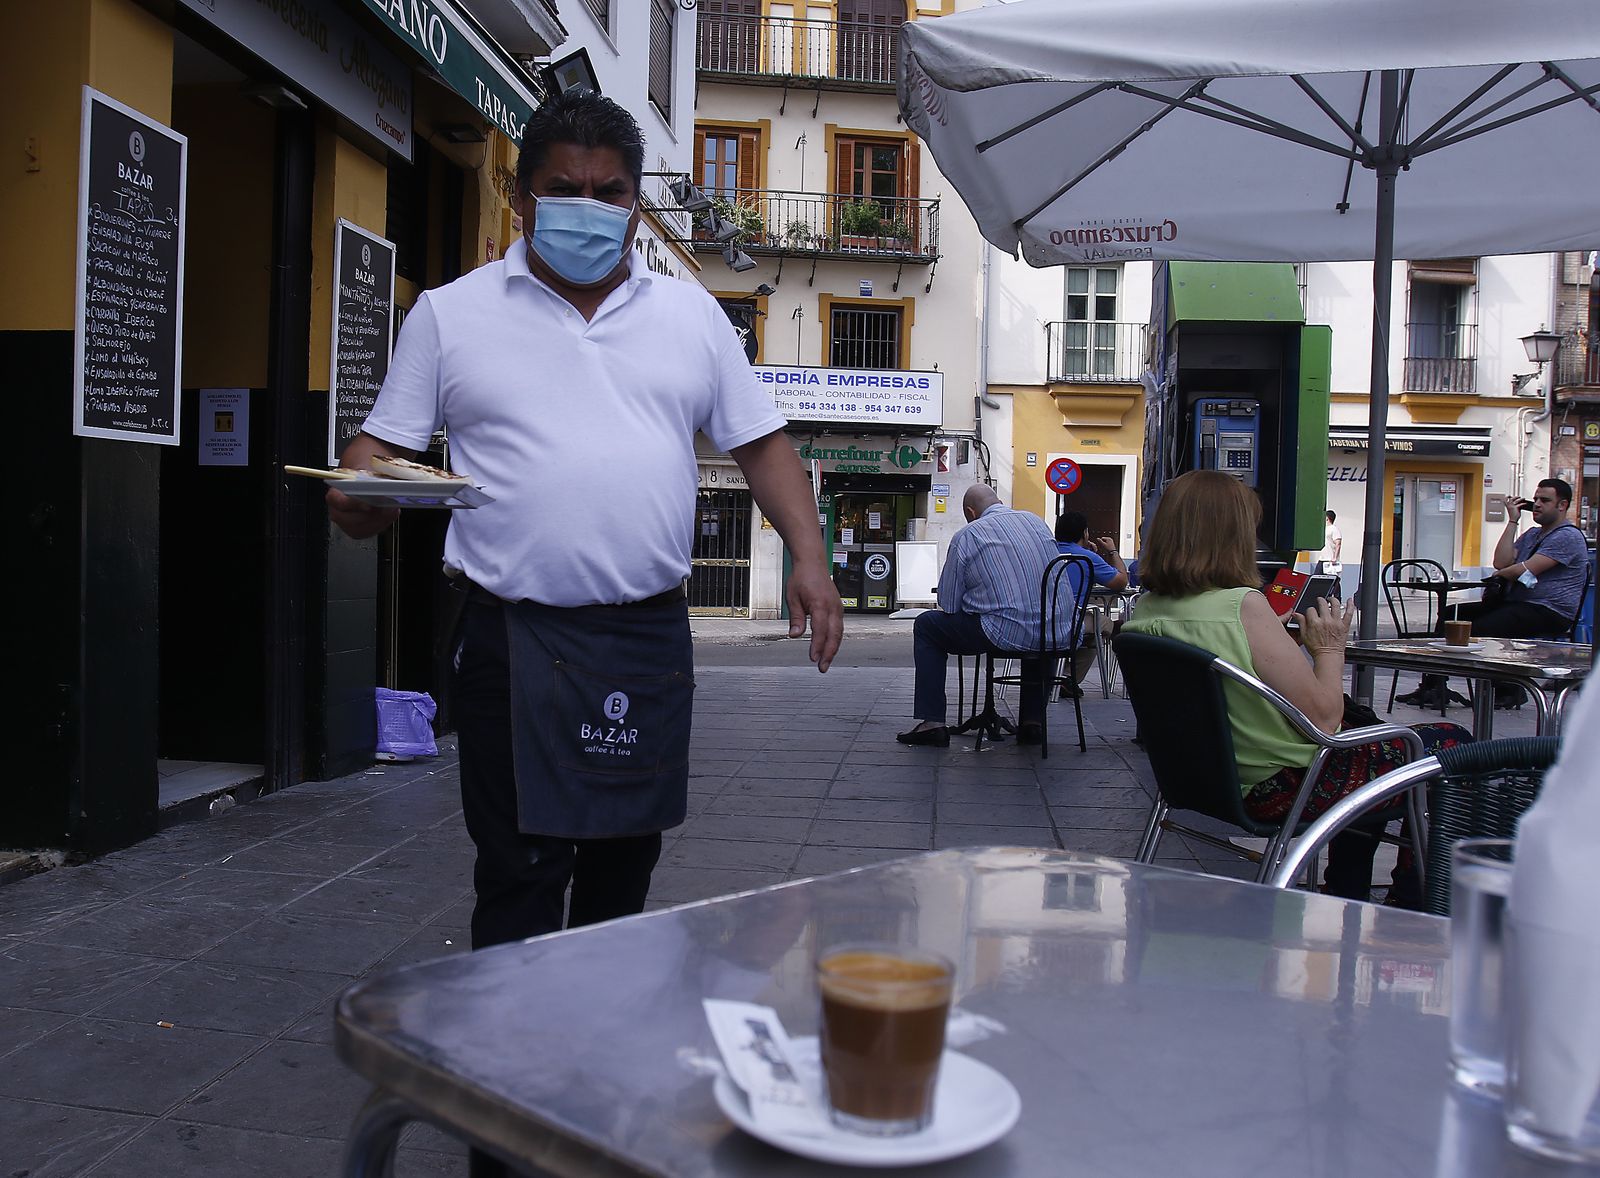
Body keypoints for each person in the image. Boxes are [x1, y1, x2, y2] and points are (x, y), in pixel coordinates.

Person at [327, 91, 842, 955]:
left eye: (611, 192)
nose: (591, 208)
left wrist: (811, 556)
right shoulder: (450, 316)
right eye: (566, 188)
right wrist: (361, 496)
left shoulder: (692, 317)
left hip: (642, 636)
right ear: (521, 195)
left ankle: (596, 1056)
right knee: (520, 869)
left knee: (623, 865)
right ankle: (511, 1066)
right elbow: (372, 465)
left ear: (636, 205)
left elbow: (761, 445)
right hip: (506, 633)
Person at [1123, 471, 1470, 903]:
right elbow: (1326, 720)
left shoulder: (1146, 609)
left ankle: (1348, 889)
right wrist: (1328, 649)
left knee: (1374, 761)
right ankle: (1417, 894)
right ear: (1234, 535)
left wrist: (1272, 645)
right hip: (1284, 788)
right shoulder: (1244, 606)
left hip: (1201, 783)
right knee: (1451, 742)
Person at [897, 486, 1075, 748]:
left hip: (1002, 632)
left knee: (926, 625)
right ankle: (1033, 722)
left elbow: (948, 603)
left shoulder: (968, 535)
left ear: (971, 512)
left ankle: (932, 723)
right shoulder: (1037, 523)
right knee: (1037, 629)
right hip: (1058, 632)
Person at [1399, 478, 1587, 710]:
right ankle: (1434, 686)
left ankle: (1508, 689)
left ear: (1562, 505)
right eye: (1536, 499)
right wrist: (1512, 521)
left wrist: (1503, 574)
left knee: (1483, 629)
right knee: (1452, 615)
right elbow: (1501, 561)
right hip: (1518, 603)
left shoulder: (1567, 536)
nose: (1537, 504)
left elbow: (1525, 569)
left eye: (1545, 500)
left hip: (1549, 609)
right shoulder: (1531, 534)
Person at [1054, 511, 1128, 693]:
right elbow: (1121, 582)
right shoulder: (1086, 558)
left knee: (1095, 627)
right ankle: (1066, 678)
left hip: (1040, 618)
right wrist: (1112, 551)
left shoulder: (1047, 552)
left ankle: (1058, 677)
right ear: (1085, 533)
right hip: (1070, 619)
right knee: (1102, 628)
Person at [1317, 509, 1343, 600]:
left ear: (1327, 518)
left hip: (1330, 559)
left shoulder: (1334, 529)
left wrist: (1335, 557)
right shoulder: (1323, 529)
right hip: (1322, 558)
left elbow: (1338, 543)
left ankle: (1337, 599)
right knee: (1317, 577)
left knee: (1334, 580)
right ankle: (1322, 598)